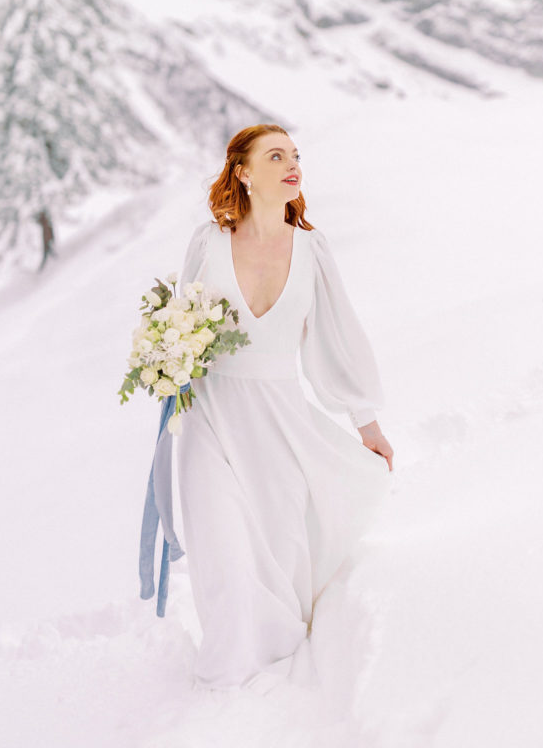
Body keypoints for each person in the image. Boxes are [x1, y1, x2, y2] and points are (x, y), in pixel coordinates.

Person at [144, 123, 394, 694]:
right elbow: (182, 326)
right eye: (275, 156)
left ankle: (277, 679)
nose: (292, 165)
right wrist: (166, 364)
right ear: (243, 172)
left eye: (296, 156)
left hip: (279, 422)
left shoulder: (312, 250)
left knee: (279, 557)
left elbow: (335, 339)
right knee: (223, 552)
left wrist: (367, 423)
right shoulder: (207, 243)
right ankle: (224, 685)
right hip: (208, 418)